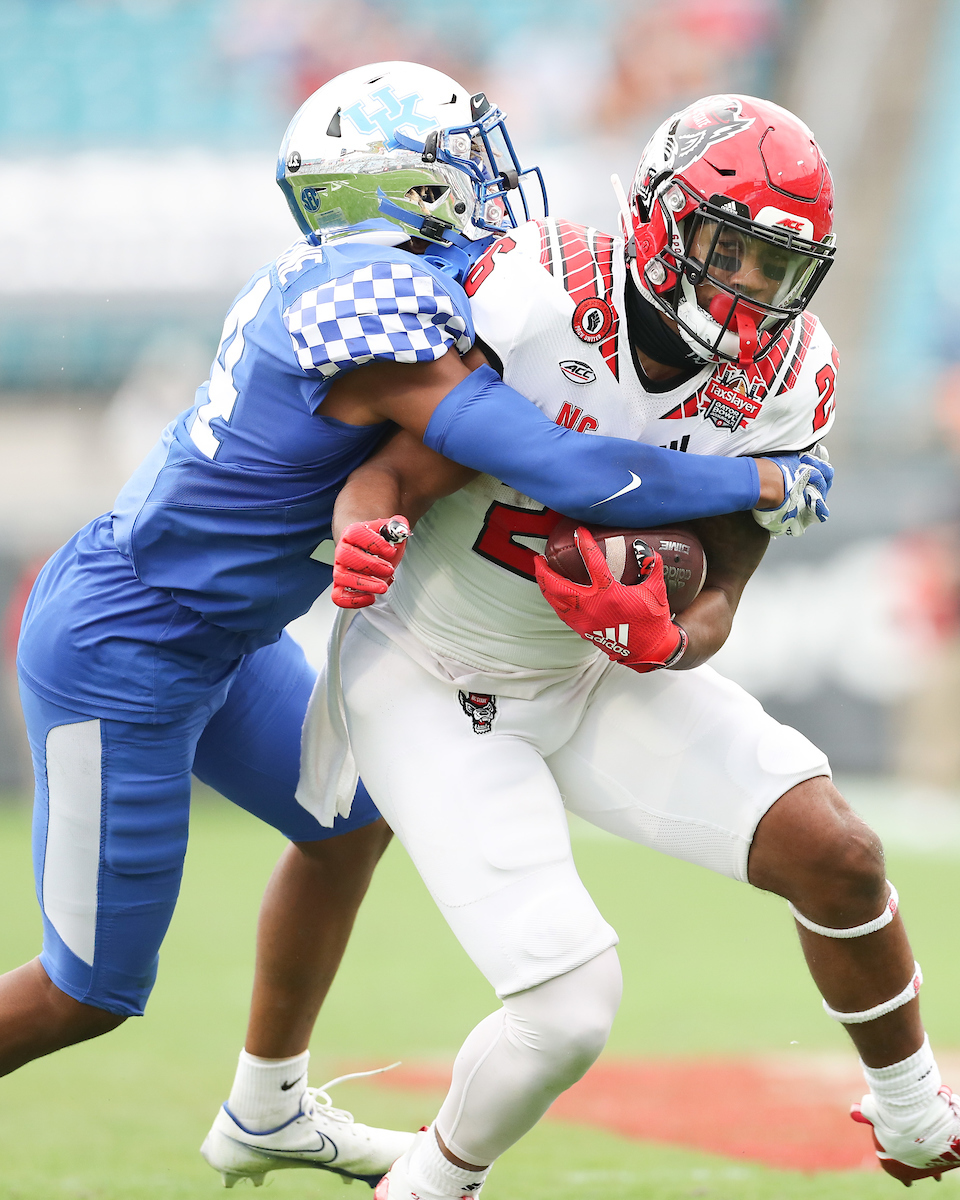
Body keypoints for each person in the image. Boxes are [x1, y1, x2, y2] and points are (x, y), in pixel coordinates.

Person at [3, 64, 820, 1191]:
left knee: (350, 820)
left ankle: (267, 1107)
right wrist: (767, 480)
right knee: (85, 991)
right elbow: (560, 466)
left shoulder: (395, 282)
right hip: (127, 648)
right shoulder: (373, 309)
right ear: (405, 186)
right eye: (466, 160)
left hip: (217, 637)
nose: (493, 183)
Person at [292, 95, 958, 1196]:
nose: (752, 292)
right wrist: (361, 531)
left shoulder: (792, 373)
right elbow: (391, 467)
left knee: (835, 851)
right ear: (657, 218)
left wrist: (665, 635)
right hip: (432, 669)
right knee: (564, 1011)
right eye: (730, 250)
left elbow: (722, 593)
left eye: (780, 269)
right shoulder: (529, 289)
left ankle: (915, 1113)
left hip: (588, 672)